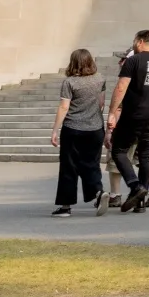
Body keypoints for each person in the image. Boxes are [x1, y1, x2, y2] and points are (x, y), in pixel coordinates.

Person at [108, 29, 149, 212]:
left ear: (139, 41)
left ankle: (135, 185)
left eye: (133, 41)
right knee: (145, 155)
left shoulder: (133, 61)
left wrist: (112, 112)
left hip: (134, 114)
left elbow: (121, 86)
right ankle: (140, 202)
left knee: (119, 150)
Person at [49, 48, 106, 216]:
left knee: (69, 167)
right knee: (92, 163)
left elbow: (64, 107)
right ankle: (98, 192)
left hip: (73, 128)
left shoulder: (70, 82)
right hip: (95, 128)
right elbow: (101, 103)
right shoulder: (100, 79)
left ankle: (66, 206)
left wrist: (55, 130)